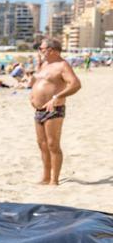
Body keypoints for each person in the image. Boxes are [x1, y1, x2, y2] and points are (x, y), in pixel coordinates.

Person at [29, 38, 81, 186]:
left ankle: (54, 180)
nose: (40, 50)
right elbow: (38, 81)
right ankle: (45, 177)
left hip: (54, 109)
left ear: (51, 50)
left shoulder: (62, 65)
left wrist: (57, 97)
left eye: (42, 48)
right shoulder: (44, 64)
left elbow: (76, 84)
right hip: (39, 110)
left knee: (53, 144)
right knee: (42, 144)